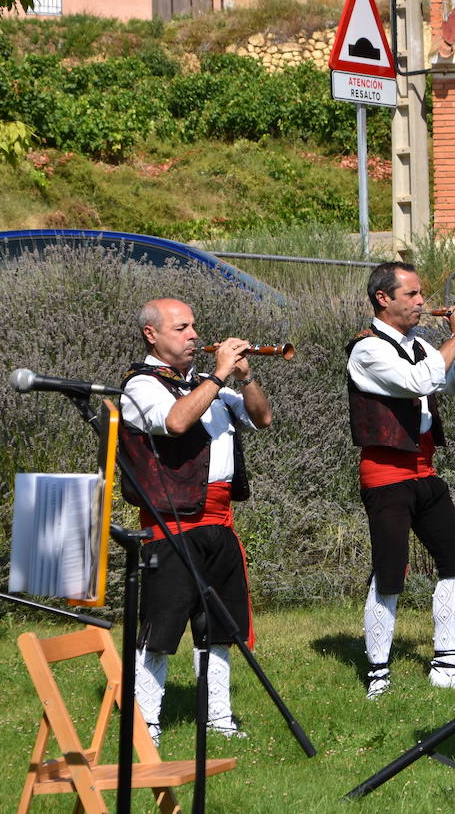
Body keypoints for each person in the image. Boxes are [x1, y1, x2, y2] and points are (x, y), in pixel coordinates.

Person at [119, 298, 273, 744]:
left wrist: (247, 378)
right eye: (181, 328)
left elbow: (262, 419)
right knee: (161, 626)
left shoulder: (207, 384)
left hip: (219, 521)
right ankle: (146, 721)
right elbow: (175, 420)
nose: (193, 335)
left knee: (219, 627)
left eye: (193, 326)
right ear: (152, 334)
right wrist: (219, 373)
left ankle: (217, 715)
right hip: (171, 526)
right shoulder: (141, 385)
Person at [347, 261, 455, 699]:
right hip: (386, 476)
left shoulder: (418, 345)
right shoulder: (366, 349)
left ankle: (446, 663)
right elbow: (419, 382)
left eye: (420, 294)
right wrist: (453, 336)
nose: (421, 302)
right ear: (383, 299)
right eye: (411, 294)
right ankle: (378, 672)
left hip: (425, 472)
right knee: (390, 573)